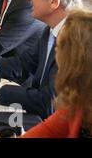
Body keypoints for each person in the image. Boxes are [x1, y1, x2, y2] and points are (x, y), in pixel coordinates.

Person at [22, 9, 91, 137]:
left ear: (75, 58)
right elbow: (49, 130)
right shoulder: (76, 98)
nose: (55, 51)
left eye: (58, 46)